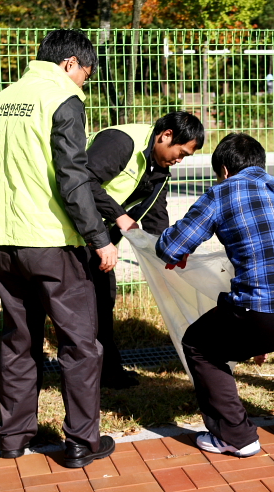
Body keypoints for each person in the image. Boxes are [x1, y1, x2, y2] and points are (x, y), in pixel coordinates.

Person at [0, 29, 117, 468]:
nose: (83, 85)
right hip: (50, 241)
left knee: (19, 340)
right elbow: (72, 176)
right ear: (70, 64)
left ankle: (13, 438)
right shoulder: (61, 97)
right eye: (85, 76)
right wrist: (99, 238)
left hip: (0, 239)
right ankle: (81, 442)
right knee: (80, 344)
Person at [156, 133, 274, 457]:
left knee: (199, 345)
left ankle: (237, 436)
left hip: (263, 312)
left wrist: (176, 249)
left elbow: (171, 247)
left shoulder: (222, 193)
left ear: (224, 170)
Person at [85, 111, 205, 389]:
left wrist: (171, 251)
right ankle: (92, 372)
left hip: (98, 236)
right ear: (166, 136)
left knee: (103, 295)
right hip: (66, 229)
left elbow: (155, 218)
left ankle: (107, 371)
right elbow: (82, 181)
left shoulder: (160, 171)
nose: (179, 160)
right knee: (87, 301)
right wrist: (119, 216)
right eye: (181, 152)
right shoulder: (121, 142)